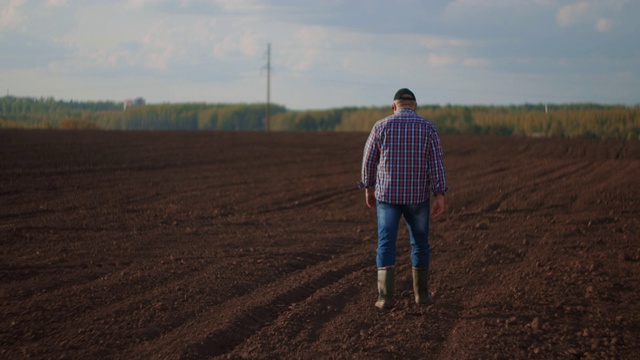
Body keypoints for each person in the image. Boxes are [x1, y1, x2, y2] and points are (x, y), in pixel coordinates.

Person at [357, 88, 448, 309]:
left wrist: (368, 188)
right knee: (420, 243)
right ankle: (422, 296)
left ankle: (384, 298)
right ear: (415, 106)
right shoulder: (428, 128)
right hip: (417, 196)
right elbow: (436, 164)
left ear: (394, 106)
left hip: (387, 196)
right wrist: (439, 194)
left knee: (386, 242)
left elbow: (369, 161)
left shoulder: (381, 126)